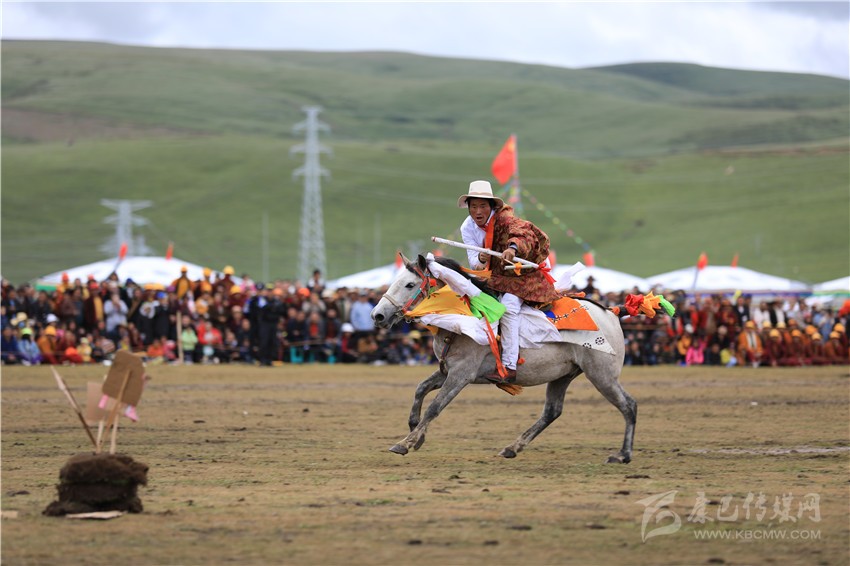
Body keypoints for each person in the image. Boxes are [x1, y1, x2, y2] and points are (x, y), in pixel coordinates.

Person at [457, 180, 560, 382]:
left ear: (492, 206)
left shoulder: (504, 218)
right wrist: (481, 259)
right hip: (497, 276)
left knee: (508, 307)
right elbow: (474, 262)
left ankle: (509, 367)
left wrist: (512, 248)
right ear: (468, 207)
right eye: (473, 206)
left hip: (525, 274)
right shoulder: (467, 227)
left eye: (482, 206)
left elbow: (524, 234)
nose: (478, 211)